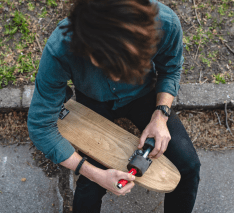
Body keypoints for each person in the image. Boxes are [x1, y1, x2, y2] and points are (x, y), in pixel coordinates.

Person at [27, 0, 201, 212]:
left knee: (189, 166)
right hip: (94, 101)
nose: (118, 76)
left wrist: (161, 115)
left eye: (129, 64)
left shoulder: (165, 23)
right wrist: (95, 173)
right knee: (88, 190)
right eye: (107, 64)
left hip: (144, 95)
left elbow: (170, 69)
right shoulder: (61, 46)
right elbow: (41, 126)